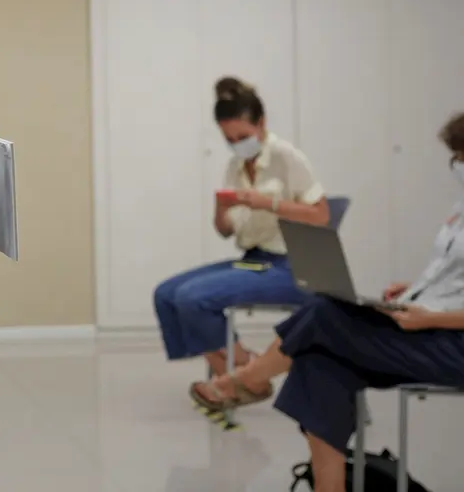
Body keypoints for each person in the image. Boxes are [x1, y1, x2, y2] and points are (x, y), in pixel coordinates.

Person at [192, 111, 464, 492]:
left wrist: (431, 320)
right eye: (457, 159)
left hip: (452, 342)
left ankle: (248, 380)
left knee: (323, 315)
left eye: (462, 158)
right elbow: (453, 273)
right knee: (319, 361)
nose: (458, 167)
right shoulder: (460, 206)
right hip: (427, 323)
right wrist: (415, 288)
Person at [153, 77, 330, 401]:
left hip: (293, 266)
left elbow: (321, 216)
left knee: (193, 298)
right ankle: (243, 374)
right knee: (166, 295)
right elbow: (225, 230)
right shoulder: (236, 165)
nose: (237, 144)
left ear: (261, 124)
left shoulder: (285, 156)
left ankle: (242, 379)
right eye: (230, 139)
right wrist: (220, 210)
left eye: (244, 136)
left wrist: (266, 202)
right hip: (256, 260)